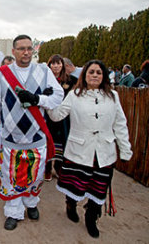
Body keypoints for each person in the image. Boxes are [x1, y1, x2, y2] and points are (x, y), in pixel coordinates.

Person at [0, 35, 64, 230]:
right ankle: (13, 212)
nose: (26, 52)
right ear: (13, 51)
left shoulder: (44, 70)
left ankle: (31, 204)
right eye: (21, 48)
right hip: (11, 137)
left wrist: (37, 99)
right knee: (10, 175)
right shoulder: (3, 73)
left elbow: (58, 96)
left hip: (36, 137)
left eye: (29, 48)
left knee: (35, 174)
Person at [47, 59, 133, 238]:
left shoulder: (113, 96)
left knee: (98, 188)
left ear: (104, 76)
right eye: (91, 72)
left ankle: (91, 217)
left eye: (98, 72)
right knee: (74, 185)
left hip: (103, 153)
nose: (94, 75)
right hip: (79, 150)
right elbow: (57, 116)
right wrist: (48, 100)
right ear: (84, 75)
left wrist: (125, 149)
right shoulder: (74, 94)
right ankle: (71, 205)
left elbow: (120, 124)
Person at [44, 54, 78, 181]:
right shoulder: (44, 79)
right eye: (53, 63)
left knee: (62, 140)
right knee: (48, 139)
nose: (56, 66)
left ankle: (58, 166)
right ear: (49, 65)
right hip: (48, 115)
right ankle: (47, 168)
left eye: (59, 63)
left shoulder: (71, 80)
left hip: (63, 116)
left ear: (62, 65)